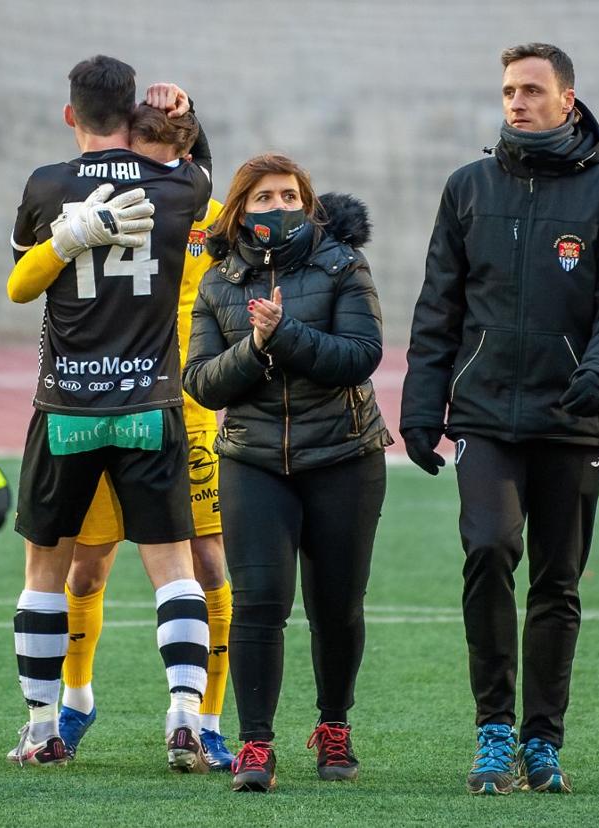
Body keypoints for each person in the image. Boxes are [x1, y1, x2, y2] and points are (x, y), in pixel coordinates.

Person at [400, 42, 599, 795]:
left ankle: (542, 741)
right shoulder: (468, 188)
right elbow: (437, 307)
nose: (517, 101)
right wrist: (423, 408)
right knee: (487, 550)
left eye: (532, 90)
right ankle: (493, 730)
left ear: (567, 101)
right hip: (484, 415)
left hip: (573, 418)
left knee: (557, 581)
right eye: (509, 90)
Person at [5, 55, 214, 772]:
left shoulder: (46, 185)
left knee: (46, 572)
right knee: (175, 572)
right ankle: (185, 716)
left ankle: (41, 729)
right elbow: (200, 164)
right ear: (131, 117)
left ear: (71, 115)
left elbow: (19, 285)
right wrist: (187, 110)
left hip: (66, 407)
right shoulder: (180, 184)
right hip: (151, 405)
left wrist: (66, 236)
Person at [183, 153, 390, 792]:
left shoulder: (343, 264)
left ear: (309, 202)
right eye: (265, 198)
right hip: (253, 462)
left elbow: (361, 356)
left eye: (290, 195)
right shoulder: (218, 281)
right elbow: (201, 382)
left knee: (337, 606)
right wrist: (254, 347)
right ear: (241, 210)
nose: (280, 207)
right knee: (259, 604)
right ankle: (255, 746)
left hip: (344, 457)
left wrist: (286, 333)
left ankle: (334, 728)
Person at [42, 104, 237, 771]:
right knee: (85, 564)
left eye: (169, 145)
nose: (154, 158)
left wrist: (191, 113)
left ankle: (203, 719)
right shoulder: (88, 204)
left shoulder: (200, 206)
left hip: (184, 409)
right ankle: (74, 700)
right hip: (100, 404)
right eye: (141, 143)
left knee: (208, 562)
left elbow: (211, 180)